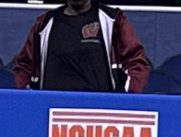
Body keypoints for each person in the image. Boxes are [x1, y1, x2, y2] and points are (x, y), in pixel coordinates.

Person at [12, 1, 150, 94]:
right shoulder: (44, 24)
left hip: (98, 116)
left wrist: (125, 101)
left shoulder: (113, 20)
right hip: (52, 115)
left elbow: (136, 63)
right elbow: (24, 67)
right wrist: (29, 99)